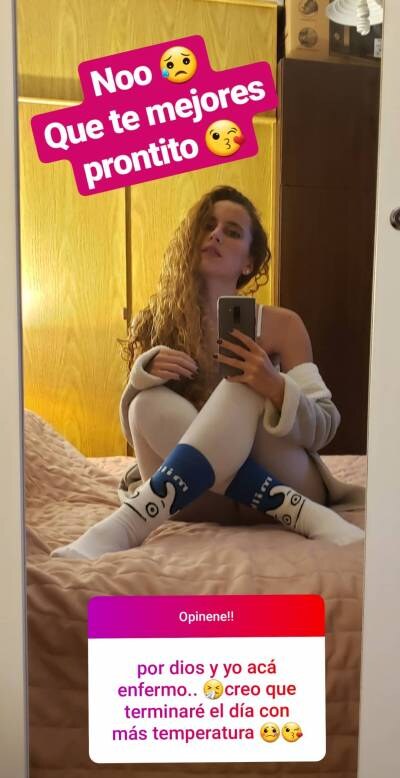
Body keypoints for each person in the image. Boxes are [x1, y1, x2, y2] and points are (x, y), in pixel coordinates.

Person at [52, 186, 364, 560]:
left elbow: (325, 426)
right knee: (145, 403)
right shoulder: (158, 323)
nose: (215, 235)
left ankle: (130, 522)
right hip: (199, 497)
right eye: (207, 225)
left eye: (232, 232)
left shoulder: (283, 326)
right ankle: (300, 513)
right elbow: (139, 433)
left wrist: (274, 387)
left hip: (285, 474)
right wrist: (141, 376)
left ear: (248, 262)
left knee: (243, 384)